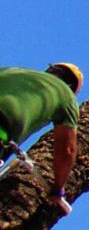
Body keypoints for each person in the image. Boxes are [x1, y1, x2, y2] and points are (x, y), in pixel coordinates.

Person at [0, 63, 82, 209]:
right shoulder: (65, 95)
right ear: (71, 87)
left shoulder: (12, 70)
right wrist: (58, 187)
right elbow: (66, 150)